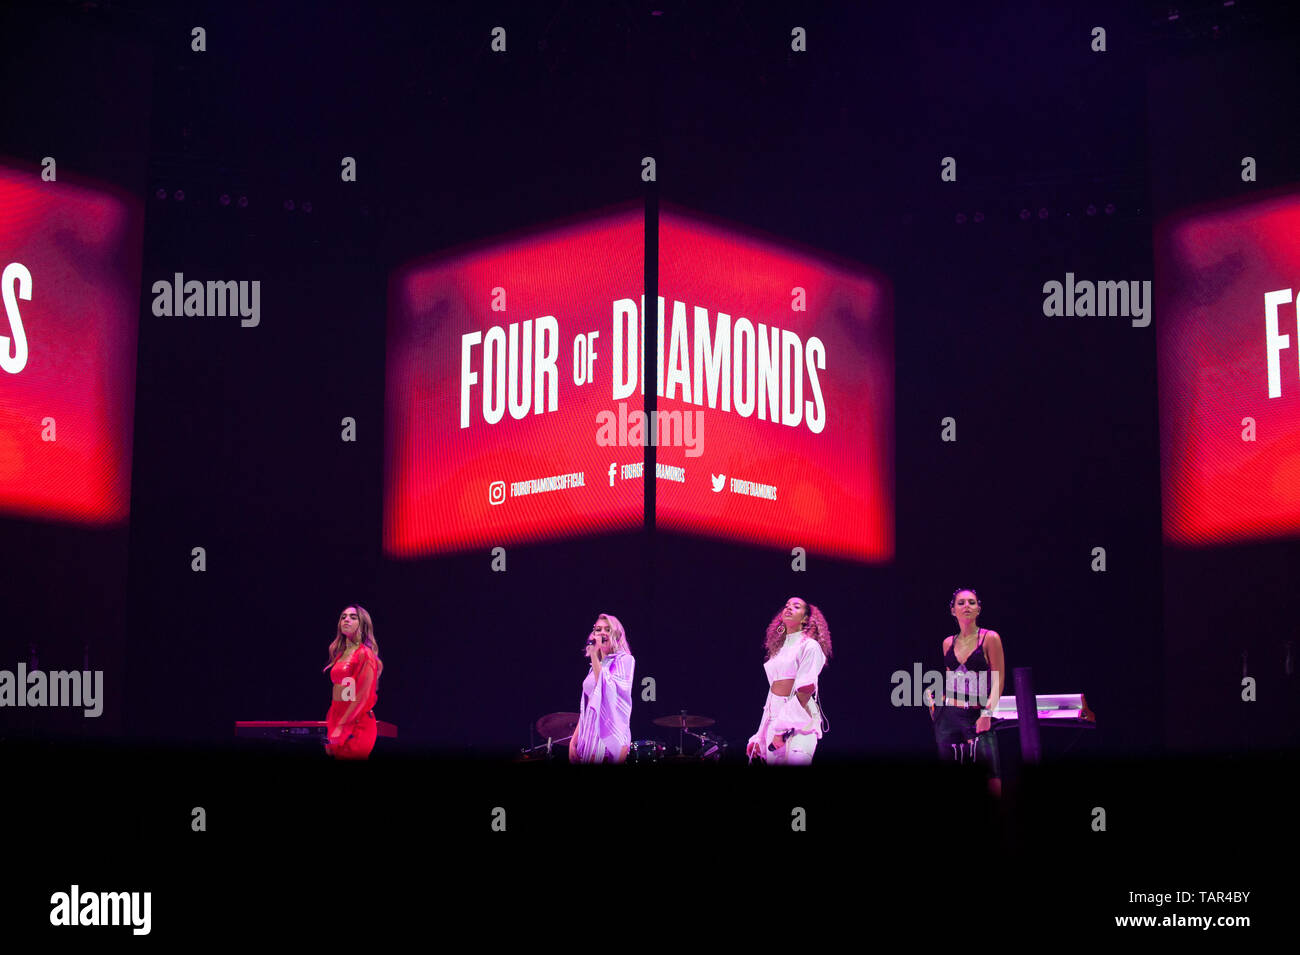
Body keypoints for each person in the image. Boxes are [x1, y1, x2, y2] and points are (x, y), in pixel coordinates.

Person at [929, 588, 1004, 796]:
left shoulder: (990, 638)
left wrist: (987, 713)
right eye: (961, 603)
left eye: (971, 602)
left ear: (979, 608)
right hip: (948, 716)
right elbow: (951, 678)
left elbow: (999, 680)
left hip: (977, 714)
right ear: (953, 610)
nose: (966, 606)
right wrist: (936, 702)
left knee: (992, 777)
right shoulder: (948, 643)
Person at [746, 597, 831, 765]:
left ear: (806, 618)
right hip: (776, 722)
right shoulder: (778, 651)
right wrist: (759, 736)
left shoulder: (810, 646)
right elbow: (773, 695)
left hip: (800, 723)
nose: (789, 608)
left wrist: (782, 729)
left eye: (796, 606)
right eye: (786, 605)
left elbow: (806, 689)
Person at [569, 614, 635, 764]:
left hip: (609, 736)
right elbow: (588, 707)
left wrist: (593, 654)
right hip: (589, 736)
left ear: (617, 635)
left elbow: (605, 690)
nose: (602, 633)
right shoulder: (594, 667)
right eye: (598, 629)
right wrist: (574, 740)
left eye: (608, 629)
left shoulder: (625, 661)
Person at [323, 605, 384, 760]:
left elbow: (363, 697)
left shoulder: (365, 654)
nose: (346, 620)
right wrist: (332, 727)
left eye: (353, 617)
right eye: (343, 617)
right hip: (340, 722)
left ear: (362, 624)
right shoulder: (340, 655)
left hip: (358, 726)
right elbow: (341, 698)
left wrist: (342, 726)